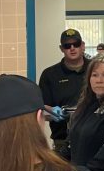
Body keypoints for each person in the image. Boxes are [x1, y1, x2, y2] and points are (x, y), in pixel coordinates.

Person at [38, 29, 89, 157]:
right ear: (61, 48)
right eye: (67, 46)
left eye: (76, 44)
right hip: (63, 141)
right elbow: (41, 108)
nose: (72, 48)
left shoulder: (96, 69)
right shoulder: (50, 75)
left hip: (95, 137)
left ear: (82, 45)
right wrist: (52, 114)